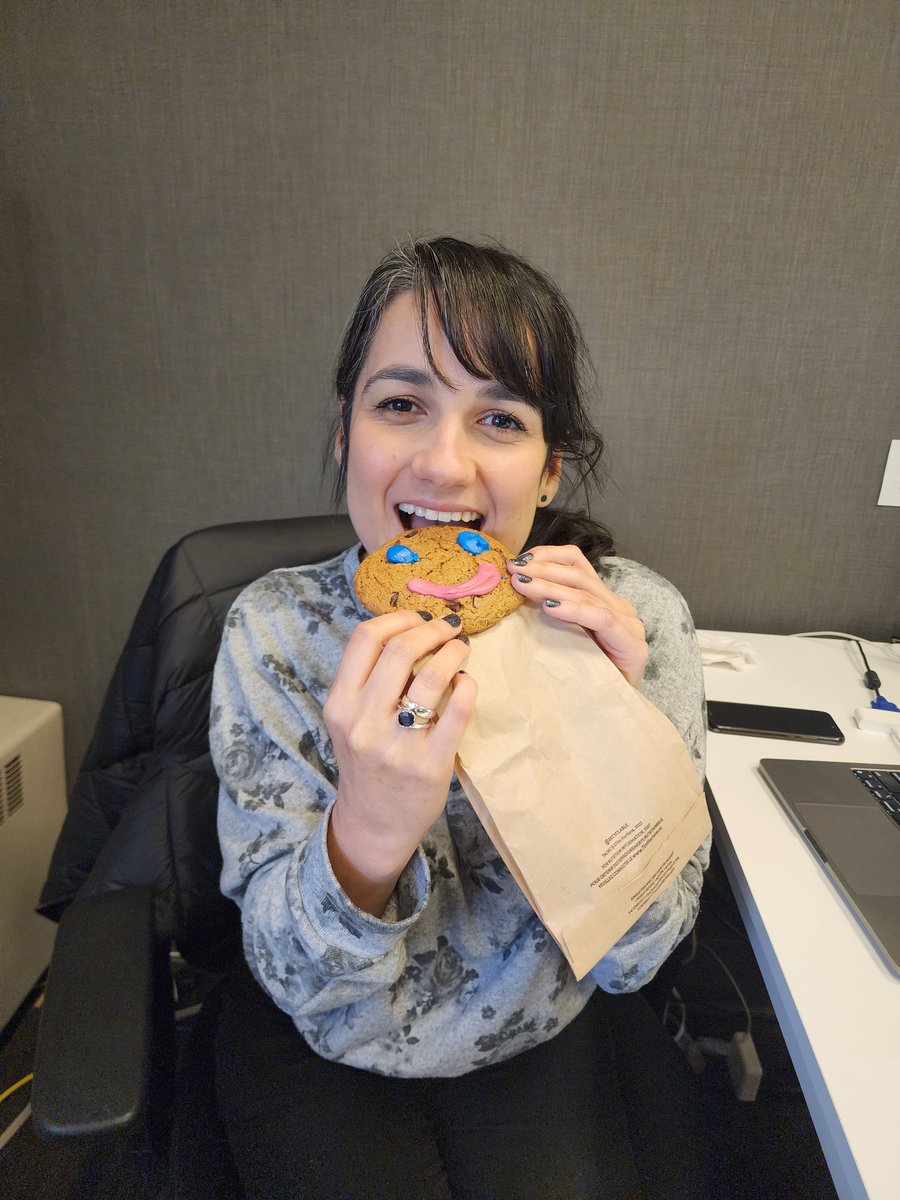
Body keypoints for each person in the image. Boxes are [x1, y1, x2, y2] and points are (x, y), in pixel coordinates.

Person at [210, 236, 711, 1199]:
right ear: (344, 434)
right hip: (323, 1040)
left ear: (552, 469)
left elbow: (640, 960)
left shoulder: (635, 623)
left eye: (500, 419)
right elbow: (297, 979)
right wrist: (368, 827)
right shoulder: (273, 633)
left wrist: (600, 727)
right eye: (401, 405)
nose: (444, 465)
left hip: (537, 1031)